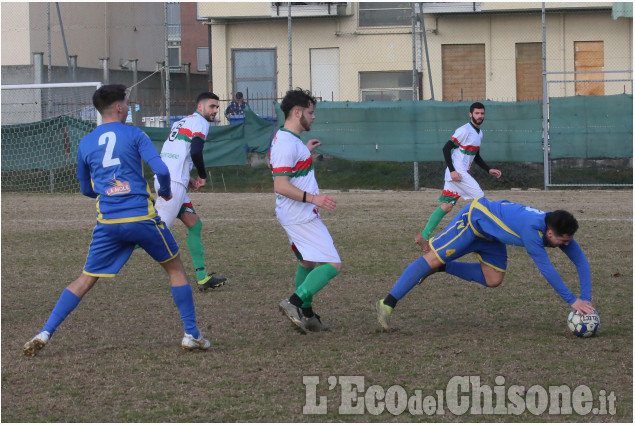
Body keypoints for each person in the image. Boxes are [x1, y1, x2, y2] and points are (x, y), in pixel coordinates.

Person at [24, 84, 210, 356]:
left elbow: (86, 189)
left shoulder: (86, 142)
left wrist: (109, 192)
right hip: (141, 217)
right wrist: (168, 193)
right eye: (127, 103)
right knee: (175, 269)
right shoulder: (134, 133)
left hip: (108, 222)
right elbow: (160, 169)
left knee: (85, 279)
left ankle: (45, 332)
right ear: (120, 107)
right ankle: (192, 334)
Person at [376, 197, 596, 331]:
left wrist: (584, 298)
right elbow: (546, 268)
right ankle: (387, 303)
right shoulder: (532, 231)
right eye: (563, 241)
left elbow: (581, 261)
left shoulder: (557, 229)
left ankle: (443, 268)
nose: (566, 245)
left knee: (493, 279)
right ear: (549, 232)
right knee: (432, 257)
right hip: (474, 221)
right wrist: (571, 300)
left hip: (493, 237)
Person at [271, 88, 341, 333]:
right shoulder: (286, 145)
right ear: (297, 112)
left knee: (307, 261)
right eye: (310, 112)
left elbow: (293, 169)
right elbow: (280, 184)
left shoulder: (292, 141)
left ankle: (308, 315)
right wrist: (315, 199)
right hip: (299, 215)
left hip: (295, 213)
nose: (313, 117)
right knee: (332, 264)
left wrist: (306, 152)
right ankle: (294, 303)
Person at [154, 92, 227, 291]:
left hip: (171, 179)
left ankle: (202, 278)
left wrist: (189, 178)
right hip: (173, 184)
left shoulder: (182, 122)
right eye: (212, 106)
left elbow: (176, 154)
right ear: (200, 107)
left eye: (217, 107)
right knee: (153, 234)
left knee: (194, 224)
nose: (215, 110)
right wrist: (202, 174)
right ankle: (112, 248)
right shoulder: (200, 123)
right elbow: (195, 151)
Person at [416, 102, 502, 253]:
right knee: (480, 199)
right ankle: (484, 235)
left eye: (482, 113)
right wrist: (453, 170)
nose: (480, 116)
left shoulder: (479, 133)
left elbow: (476, 156)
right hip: (457, 173)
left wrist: (488, 169)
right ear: (470, 114)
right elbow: (446, 148)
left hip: (457, 173)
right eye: (476, 113)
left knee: (447, 205)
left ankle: (424, 236)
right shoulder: (464, 130)